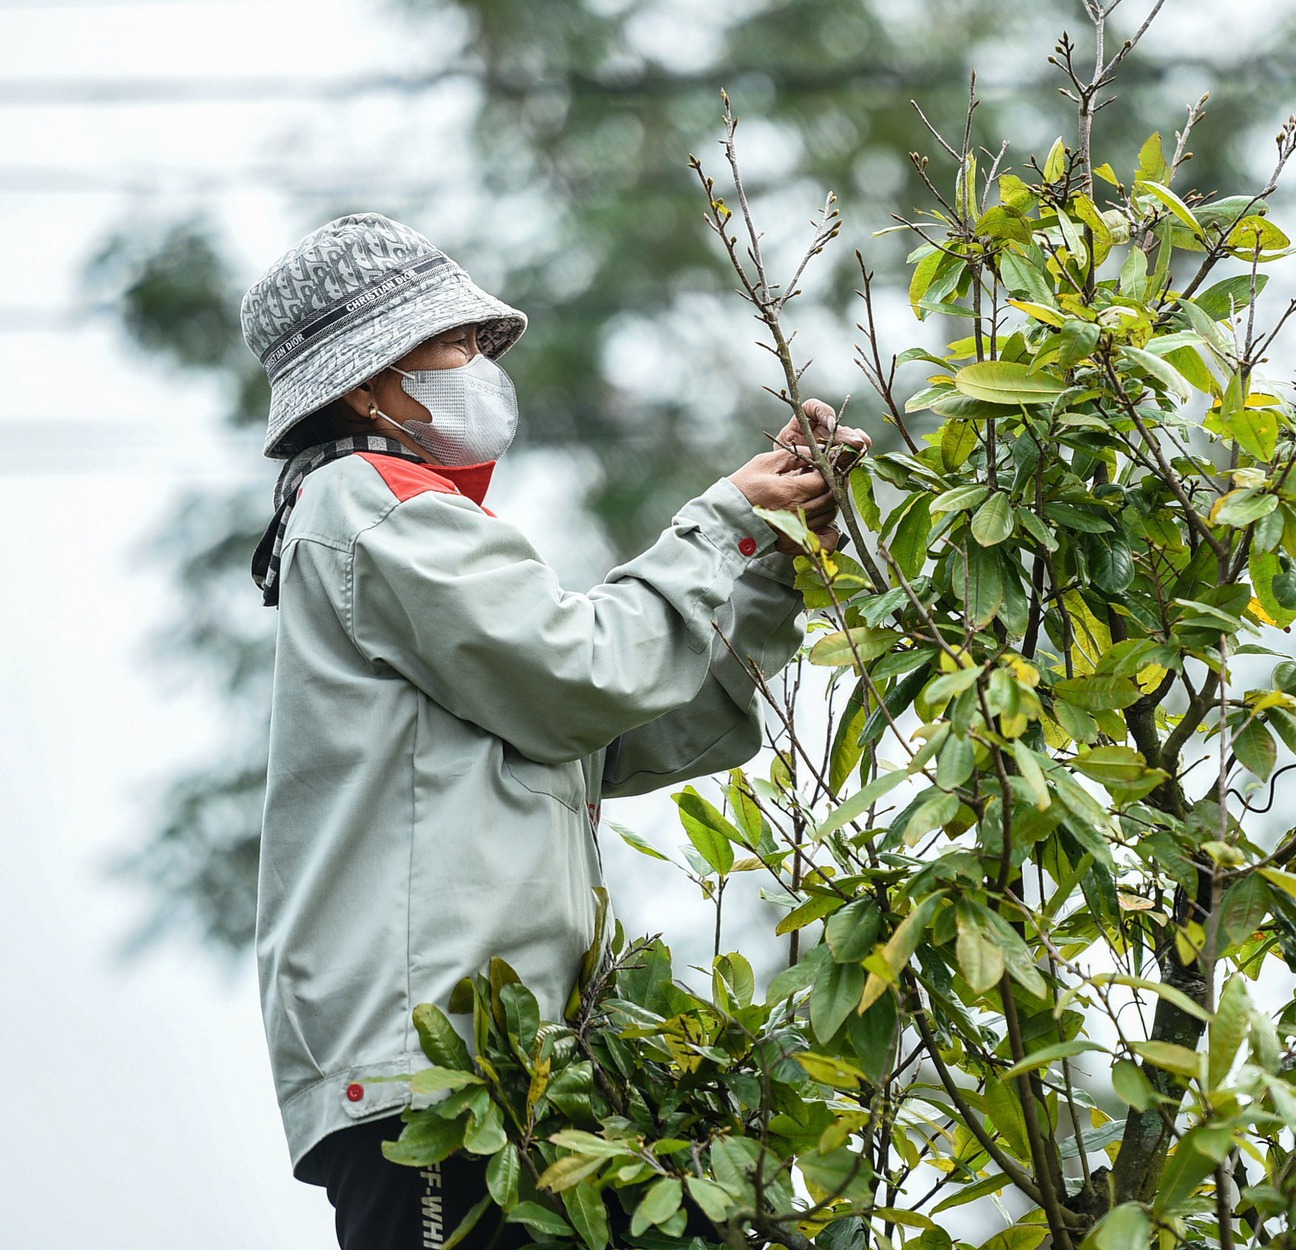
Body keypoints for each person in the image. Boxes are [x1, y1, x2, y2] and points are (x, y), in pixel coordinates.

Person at [237, 212, 866, 1248]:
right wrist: (723, 521)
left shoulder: (417, 520)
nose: (478, 365)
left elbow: (625, 725)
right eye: (453, 344)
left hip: (530, 1078)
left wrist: (770, 565)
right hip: (433, 1084)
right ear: (366, 382)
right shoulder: (368, 499)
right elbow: (582, 673)